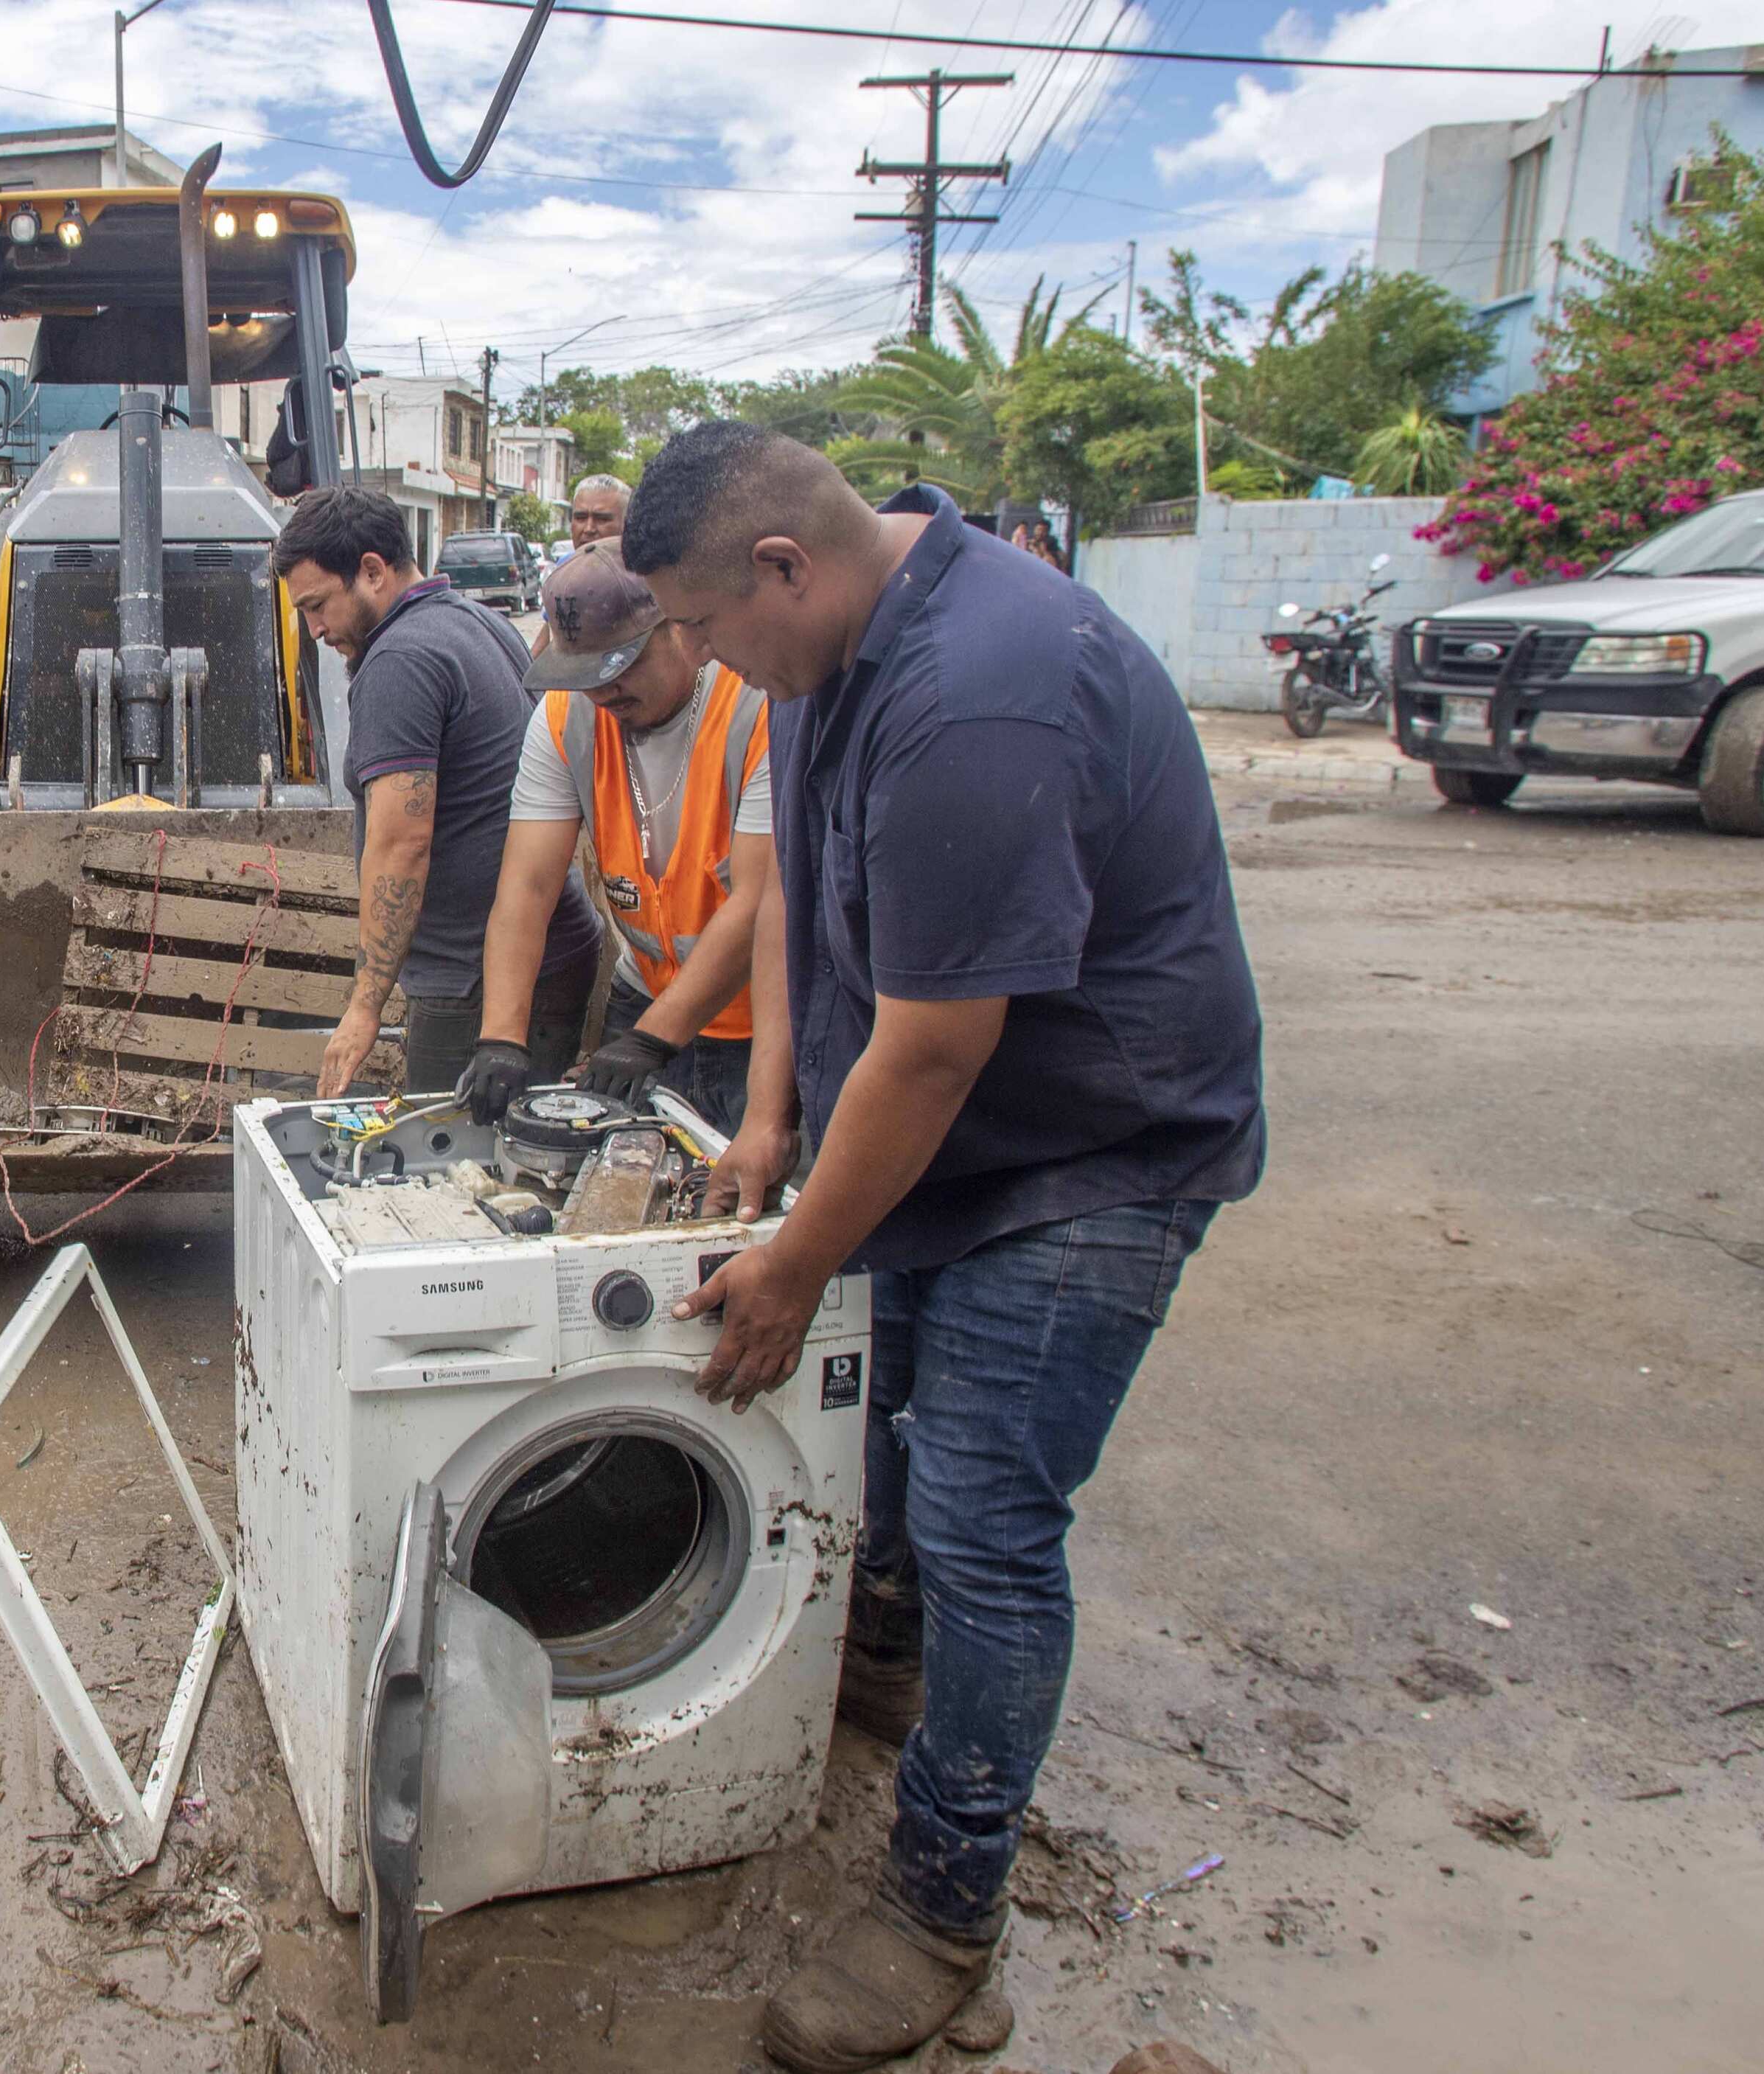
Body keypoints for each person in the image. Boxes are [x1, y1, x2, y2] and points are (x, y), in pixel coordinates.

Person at [626, 424, 1263, 2074]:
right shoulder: (828, 647)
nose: (694, 662)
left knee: (985, 1509)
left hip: (1085, 1156)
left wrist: (791, 1262)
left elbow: (932, 1048)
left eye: (703, 624)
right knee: (879, 1429)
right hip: (930, 1138)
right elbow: (801, 923)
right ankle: (888, 1664)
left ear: (783, 566)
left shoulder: (984, 685)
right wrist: (773, 1132)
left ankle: (940, 1902)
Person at [273, 483, 599, 1097]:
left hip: (473, 983)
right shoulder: (478, 621)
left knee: (452, 1178)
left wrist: (364, 1007)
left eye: (318, 605)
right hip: (551, 954)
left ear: (371, 571)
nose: (314, 629)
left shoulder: (401, 659)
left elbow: (402, 847)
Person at [458, 541, 770, 1136]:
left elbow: (758, 905)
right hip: (647, 1002)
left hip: (762, 1027)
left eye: (621, 669)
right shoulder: (562, 719)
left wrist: (654, 1038)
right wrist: (501, 1035)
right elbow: (526, 887)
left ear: (678, 627)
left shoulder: (755, 704)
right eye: (587, 676)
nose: (604, 695)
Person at [530, 474, 634, 655]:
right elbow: (547, 639)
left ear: (626, 524)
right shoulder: (563, 571)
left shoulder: (643, 576)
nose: (588, 528)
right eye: (580, 517)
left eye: (602, 519)